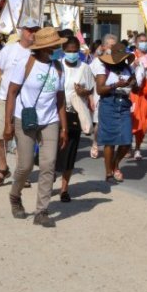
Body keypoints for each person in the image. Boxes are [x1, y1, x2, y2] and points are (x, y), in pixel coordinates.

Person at [4, 27, 67, 226]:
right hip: (25, 118)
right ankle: (15, 196)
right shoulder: (25, 63)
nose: (59, 48)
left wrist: (64, 127)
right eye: (55, 46)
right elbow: (12, 93)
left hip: (50, 121)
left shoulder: (58, 67)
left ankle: (42, 211)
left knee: (49, 164)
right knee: (26, 165)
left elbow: (60, 98)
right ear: (44, 48)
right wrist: (8, 124)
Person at [0, 20, 38, 187]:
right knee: (0, 136)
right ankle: (3, 168)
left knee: (23, 139)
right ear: (22, 31)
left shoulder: (37, 52)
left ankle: (21, 172)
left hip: (27, 103)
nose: (33, 33)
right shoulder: (8, 50)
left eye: (36, 30)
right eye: (30, 30)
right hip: (4, 99)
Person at [57, 34, 94, 202]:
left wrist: (83, 92)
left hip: (73, 114)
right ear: (63, 51)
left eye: (75, 51)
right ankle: (49, 179)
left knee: (70, 152)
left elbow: (91, 90)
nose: (72, 54)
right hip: (56, 112)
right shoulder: (57, 66)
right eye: (69, 51)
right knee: (53, 150)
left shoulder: (85, 68)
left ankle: (64, 188)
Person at [95, 43, 137, 184]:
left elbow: (136, 88)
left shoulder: (128, 69)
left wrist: (133, 83)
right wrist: (115, 85)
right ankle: (108, 173)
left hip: (124, 104)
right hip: (109, 104)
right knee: (110, 141)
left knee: (126, 140)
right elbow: (100, 89)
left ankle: (115, 163)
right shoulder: (104, 69)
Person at [130, 32, 147, 161]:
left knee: (145, 121)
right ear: (136, 43)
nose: (144, 43)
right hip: (134, 93)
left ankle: (138, 148)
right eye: (141, 40)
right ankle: (128, 145)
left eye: (145, 40)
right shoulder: (131, 56)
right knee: (133, 120)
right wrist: (133, 65)